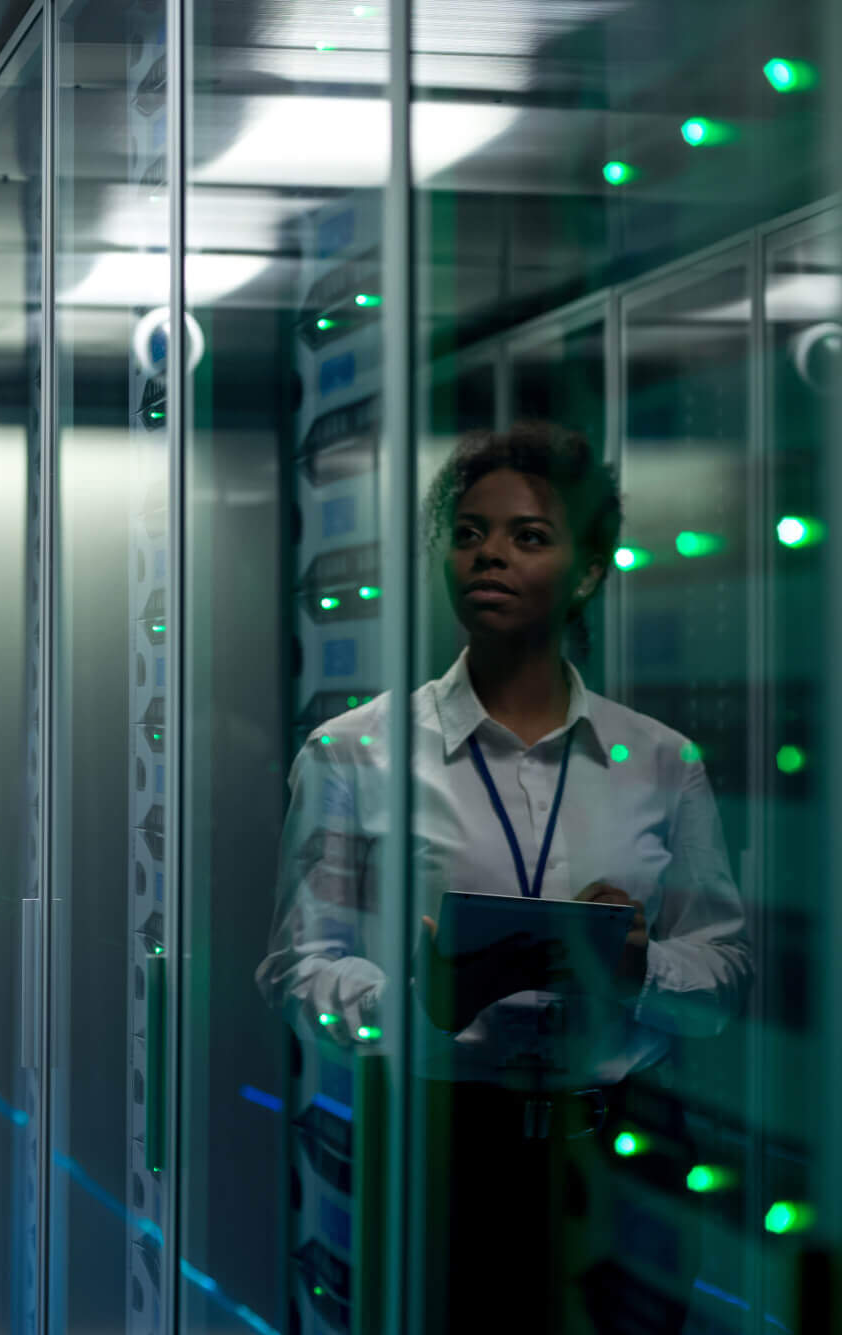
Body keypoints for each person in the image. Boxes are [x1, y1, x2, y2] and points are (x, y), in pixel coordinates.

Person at [256, 422, 749, 1332]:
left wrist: (640, 969)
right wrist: (419, 999)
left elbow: (724, 976)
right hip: (444, 1147)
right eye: (470, 531)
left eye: (529, 536)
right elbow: (295, 968)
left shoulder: (660, 760)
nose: (490, 554)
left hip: (624, 1149)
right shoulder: (353, 753)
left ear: (590, 570)